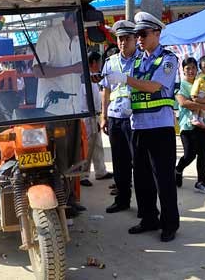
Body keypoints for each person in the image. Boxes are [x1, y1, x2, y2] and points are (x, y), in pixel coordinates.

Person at [107, 12, 180, 242]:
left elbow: (153, 86)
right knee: (142, 178)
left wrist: (126, 80)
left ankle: (170, 224)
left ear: (157, 33)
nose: (138, 38)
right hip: (138, 126)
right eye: (136, 34)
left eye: (142, 34)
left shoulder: (168, 59)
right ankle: (149, 218)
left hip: (160, 127)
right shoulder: (137, 60)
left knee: (164, 180)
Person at [32, 11, 85, 215]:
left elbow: (80, 70)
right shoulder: (49, 36)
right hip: (53, 110)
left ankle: (70, 199)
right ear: (69, 19)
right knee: (57, 158)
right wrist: (72, 68)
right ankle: (58, 203)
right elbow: (38, 71)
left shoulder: (78, 39)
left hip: (74, 107)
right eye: (79, 23)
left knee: (74, 158)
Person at [99, 20, 140, 214]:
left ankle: (144, 203)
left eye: (127, 38)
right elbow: (105, 91)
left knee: (139, 163)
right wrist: (103, 116)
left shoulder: (142, 60)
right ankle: (122, 199)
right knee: (119, 161)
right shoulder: (111, 62)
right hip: (115, 116)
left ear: (135, 39)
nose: (123, 42)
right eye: (120, 39)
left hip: (136, 117)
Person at [175, 57, 205, 194]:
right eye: (188, 68)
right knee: (189, 154)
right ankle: (178, 169)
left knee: (203, 154)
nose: (191, 71)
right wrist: (204, 104)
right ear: (183, 70)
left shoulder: (203, 82)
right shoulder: (179, 86)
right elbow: (183, 103)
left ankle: (201, 182)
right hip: (187, 125)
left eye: (193, 68)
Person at [79, 51, 113, 186]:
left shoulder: (93, 77)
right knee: (86, 146)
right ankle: (83, 175)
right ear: (93, 63)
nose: (100, 65)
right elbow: (88, 99)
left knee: (97, 145)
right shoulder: (84, 78)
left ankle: (100, 171)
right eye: (99, 62)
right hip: (87, 115)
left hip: (93, 115)